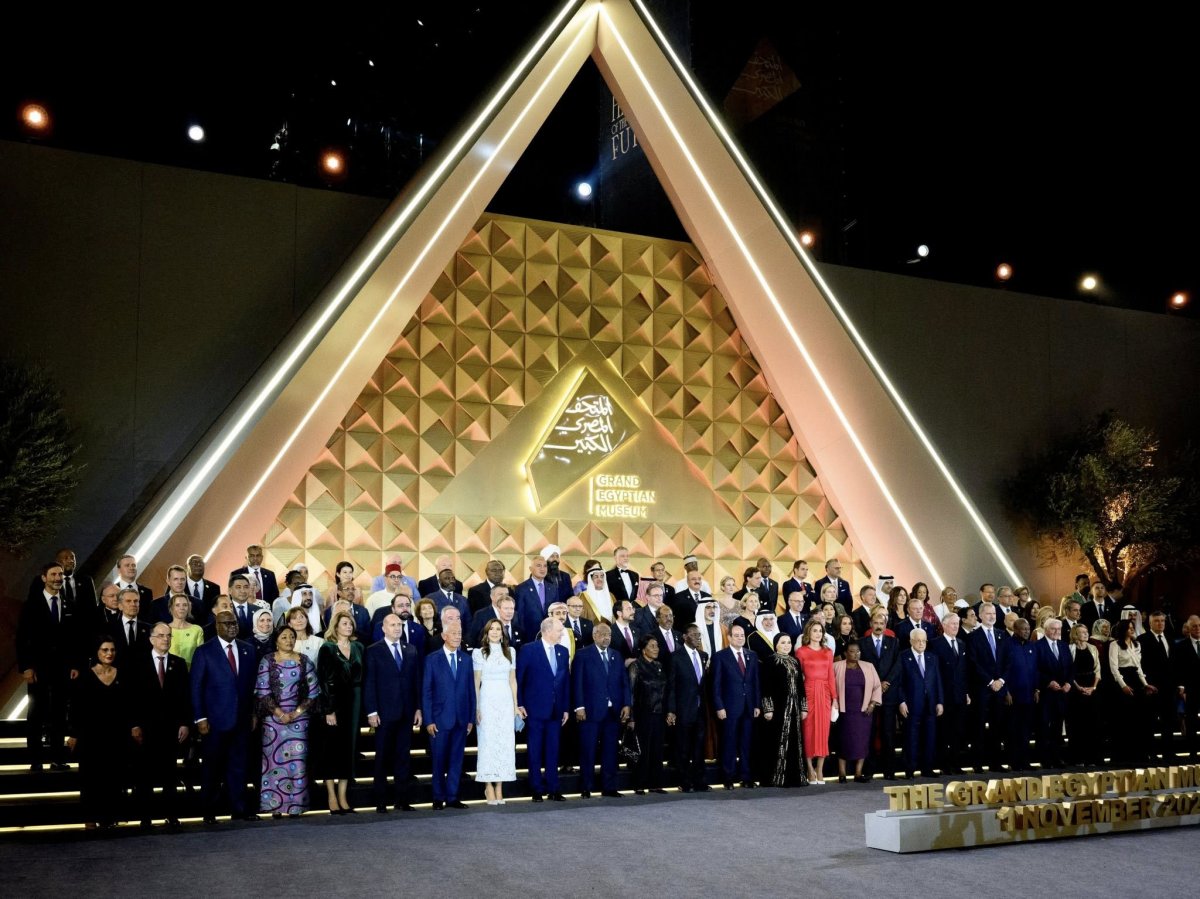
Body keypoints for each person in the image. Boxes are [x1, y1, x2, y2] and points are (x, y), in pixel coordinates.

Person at [190, 609, 258, 823]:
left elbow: (253, 686)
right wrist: (200, 718)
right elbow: (196, 687)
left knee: (239, 766)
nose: (232, 627)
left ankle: (239, 808)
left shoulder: (248, 649)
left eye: (234, 623)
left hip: (242, 720)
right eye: (227, 623)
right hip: (214, 722)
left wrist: (254, 713)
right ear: (217, 625)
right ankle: (208, 811)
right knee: (212, 768)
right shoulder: (204, 651)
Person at [17, 561, 82, 772]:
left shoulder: (69, 603)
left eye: (60, 574)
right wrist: (26, 667)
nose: (57, 578)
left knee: (59, 714)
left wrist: (75, 664)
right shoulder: (31, 604)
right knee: (36, 713)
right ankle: (35, 760)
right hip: (38, 669)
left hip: (63, 669)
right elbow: (21, 638)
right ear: (44, 578)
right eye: (53, 574)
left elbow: (74, 638)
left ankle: (57, 759)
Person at [129, 623, 191, 829]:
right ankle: (145, 817)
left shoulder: (179, 664)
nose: (165, 639)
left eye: (168, 636)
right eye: (161, 635)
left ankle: (171, 815)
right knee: (144, 775)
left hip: (171, 728)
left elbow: (185, 697)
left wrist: (184, 722)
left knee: (170, 774)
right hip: (145, 729)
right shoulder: (138, 663)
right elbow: (131, 697)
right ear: (151, 639)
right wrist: (134, 724)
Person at [255, 624, 319, 817]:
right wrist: (280, 713)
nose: (289, 640)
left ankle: (296, 806)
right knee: (274, 765)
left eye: (292, 637)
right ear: (276, 640)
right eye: (284, 637)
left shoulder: (305, 661)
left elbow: (314, 691)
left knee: (298, 763)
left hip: (299, 720)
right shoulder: (267, 661)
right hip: (273, 722)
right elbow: (263, 691)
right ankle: (274, 806)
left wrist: (296, 713)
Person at [67, 636, 128, 828]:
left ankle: (110, 817)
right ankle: (90, 818)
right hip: (90, 736)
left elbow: (129, 705)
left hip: (115, 735)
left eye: (112, 650)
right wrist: (74, 734)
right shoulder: (85, 676)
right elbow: (76, 708)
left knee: (113, 776)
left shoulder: (123, 675)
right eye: (105, 650)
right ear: (97, 652)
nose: (109, 654)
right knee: (90, 778)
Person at [365, 613, 422, 813]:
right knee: (382, 758)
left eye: (399, 624)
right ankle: (381, 801)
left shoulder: (411, 649)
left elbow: (416, 681)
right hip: (384, 713)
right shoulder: (373, 651)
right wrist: (372, 711)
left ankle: (402, 799)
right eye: (393, 624)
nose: (397, 628)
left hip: (407, 713)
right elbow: (369, 682)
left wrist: (418, 708)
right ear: (384, 628)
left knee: (403, 757)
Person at [517, 616, 571, 801]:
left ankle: (553, 788)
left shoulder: (563, 652)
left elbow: (564, 683)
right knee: (534, 751)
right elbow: (520, 679)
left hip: (556, 711)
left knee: (553, 750)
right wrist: (519, 703)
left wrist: (565, 708)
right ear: (547, 631)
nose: (562, 633)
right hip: (534, 710)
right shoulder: (528, 650)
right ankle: (537, 789)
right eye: (559, 630)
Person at [422, 621, 474, 809]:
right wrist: (428, 720)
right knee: (438, 760)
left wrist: (470, 719)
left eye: (459, 633)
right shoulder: (432, 659)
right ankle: (438, 797)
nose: (458, 636)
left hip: (461, 719)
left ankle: (452, 796)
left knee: (456, 760)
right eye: (453, 633)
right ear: (444, 636)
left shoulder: (466, 659)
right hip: (439, 720)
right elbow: (426, 692)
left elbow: (470, 691)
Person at [318, 609, 364, 813]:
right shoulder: (327, 648)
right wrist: (329, 709)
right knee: (331, 750)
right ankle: (331, 796)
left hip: (354, 702)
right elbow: (324, 681)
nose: (348, 626)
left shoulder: (359, 647)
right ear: (335, 627)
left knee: (348, 749)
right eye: (344, 623)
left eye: (350, 623)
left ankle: (343, 796)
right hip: (334, 703)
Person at [473, 618, 518, 805]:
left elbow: (513, 680)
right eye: (491, 629)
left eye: (498, 629)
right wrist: (476, 707)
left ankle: (499, 786)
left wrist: (515, 706)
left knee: (504, 743)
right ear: (486, 632)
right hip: (487, 700)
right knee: (487, 742)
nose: (495, 632)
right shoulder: (479, 653)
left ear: (502, 632)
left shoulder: (511, 652)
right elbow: (476, 682)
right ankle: (488, 786)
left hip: (505, 700)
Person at [712, 622, 761, 789]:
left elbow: (755, 682)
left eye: (742, 635)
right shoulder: (720, 657)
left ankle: (746, 777)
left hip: (748, 707)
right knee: (729, 743)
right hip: (729, 708)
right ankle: (728, 778)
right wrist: (719, 706)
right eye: (737, 635)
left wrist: (756, 704)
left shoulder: (752, 655)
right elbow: (716, 685)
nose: (740, 638)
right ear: (730, 637)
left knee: (746, 744)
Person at [758, 632, 807, 787]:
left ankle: (794, 778)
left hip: (794, 709)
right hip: (778, 709)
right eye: (783, 642)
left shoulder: (795, 661)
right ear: (776, 645)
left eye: (788, 642)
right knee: (776, 741)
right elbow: (766, 686)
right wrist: (768, 708)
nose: (786, 645)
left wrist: (803, 707)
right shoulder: (770, 661)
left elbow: (801, 686)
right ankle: (776, 777)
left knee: (794, 740)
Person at [664, 623, 707, 793]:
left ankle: (699, 781)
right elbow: (671, 686)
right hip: (682, 709)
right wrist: (671, 710)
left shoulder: (704, 655)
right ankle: (684, 781)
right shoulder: (676, 657)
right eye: (694, 635)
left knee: (699, 747)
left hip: (700, 709)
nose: (697, 638)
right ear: (685, 637)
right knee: (683, 748)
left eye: (699, 635)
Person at [860, 607, 901, 778]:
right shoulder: (861, 643)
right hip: (869, 694)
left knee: (888, 732)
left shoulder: (894, 642)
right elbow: (860, 666)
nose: (878, 626)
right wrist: (875, 685)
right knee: (868, 732)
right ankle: (868, 770)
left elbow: (897, 665)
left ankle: (889, 770)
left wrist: (886, 682)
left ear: (886, 625)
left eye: (881, 623)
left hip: (888, 693)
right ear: (870, 624)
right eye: (875, 623)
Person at [1108, 617, 1156, 764]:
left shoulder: (1137, 644)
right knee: (1124, 719)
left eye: (1132, 627)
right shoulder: (1114, 645)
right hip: (1122, 681)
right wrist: (1123, 685)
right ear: (1123, 629)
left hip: (1135, 679)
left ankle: (1138, 754)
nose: (1131, 630)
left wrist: (1145, 684)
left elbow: (1139, 667)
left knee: (1138, 719)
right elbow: (1114, 668)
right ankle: (1122, 755)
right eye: (1129, 627)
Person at [968, 602, 1009, 770]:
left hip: (1000, 689)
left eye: (994, 613)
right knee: (978, 726)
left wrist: (1001, 681)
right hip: (982, 689)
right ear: (980, 616)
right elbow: (973, 662)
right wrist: (991, 681)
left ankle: (996, 762)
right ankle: (977, 763)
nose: (992, 616)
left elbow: (1008, 661)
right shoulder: (973, 637)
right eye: (988, 614)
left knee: (997, 725)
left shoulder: (1002, 635)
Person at [796, 618, 836, 784]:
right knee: (808, 731)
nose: (818, 634)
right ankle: (809, 769)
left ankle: (820, 769)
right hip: (809, 691)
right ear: (808, 633)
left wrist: (835, 699)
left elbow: (831, 676)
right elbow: (799, 677)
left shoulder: (828, 652)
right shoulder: (801, 652)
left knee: (823, 731)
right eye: (815, 631)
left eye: (820, 631)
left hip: (825, 693)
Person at [897, 630, 942, 778]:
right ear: (911, 641)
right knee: (911, 738)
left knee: (929, 738)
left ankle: (927, 768)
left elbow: (937, 682)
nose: (921, 643)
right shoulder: (903, 657)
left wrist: (940, 701)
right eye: (918, 641)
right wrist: (902, 701)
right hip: (911, 705)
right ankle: (910, 769)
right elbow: (899, 682)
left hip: (930, 705)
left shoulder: (932, 657)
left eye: (924, 641)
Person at [628, 634, 669, 794]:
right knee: (643, 750)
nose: (656, 649)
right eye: (652, 646)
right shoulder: (636, 666)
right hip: (642, 714)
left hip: (659, 714)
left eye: (657, 646)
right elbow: (631, 692)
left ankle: (655, 783)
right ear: (643, 649)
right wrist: (631, 717)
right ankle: (639, 783)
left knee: (657, 750)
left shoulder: (659, 666)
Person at [929, 612, 970, 773]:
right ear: (944, 625)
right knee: (944, 731)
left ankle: (955, 763)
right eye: (953, 624)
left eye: (957, 624)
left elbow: (964, 671)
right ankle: (944, 764)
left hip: (959, 695)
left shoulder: (961, 643)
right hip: (944, 695)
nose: (956, 626)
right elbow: (934, 672)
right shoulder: (935, 643)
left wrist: (966, 692)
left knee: (958, 731)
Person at [834, 640, 879, 782]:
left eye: (858, 651)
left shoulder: (869, 666)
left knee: (862, 741)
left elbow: (877, 686)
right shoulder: (836, 666)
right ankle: (842, 774)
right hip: (844, 711)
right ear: (846, 653)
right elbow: (829, 686)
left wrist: (872, 704)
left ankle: (858, 774)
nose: (855, 654)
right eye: (852, 651)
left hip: (863, 711)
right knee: (843, 741)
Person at [999, 618, 1038, 770]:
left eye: (1028, 629)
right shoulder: (1007, 645)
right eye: (1023, 629)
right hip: (1013, 696)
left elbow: (1035, 669)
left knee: (1026, 730)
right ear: (1015, 630)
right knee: (1013, 730)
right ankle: (1014, 762)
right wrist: (1006, 691)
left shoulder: (1031, 646)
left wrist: (1036, 689)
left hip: (1029, 695)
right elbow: (1002, 669)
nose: (1027, 632)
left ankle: (1025, 761)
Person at [1139, 610, 1176, 762]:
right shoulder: (1143, 639)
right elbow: (1141, 664)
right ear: (1150, 623)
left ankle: (1168, 753)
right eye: (1157, 621)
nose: (1160, 623)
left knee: (1169, 721)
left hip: (1169, 687)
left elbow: (1175, 663)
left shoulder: (1170, 638)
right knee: (1150, 722)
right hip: (1152, 687)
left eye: (1163, 621)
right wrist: (1146, 684)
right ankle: (1151, 752)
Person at [1035, 618, 1073, 767]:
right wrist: (1047, 682)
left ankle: (1056, 757)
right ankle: (1045, 759)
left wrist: (1069, 682)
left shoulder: (1064, 646)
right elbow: (1035, 669)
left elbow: (1071, 667)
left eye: (1059, 629)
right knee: (1044, 727)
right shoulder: (1037, 646)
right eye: (1053, 629)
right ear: (1046, 630)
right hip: (1046, 694)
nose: (1057, 632)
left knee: (1057, 727)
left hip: (1062, 694)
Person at [1067, 623, 1103, 764]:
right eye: (1082, 632)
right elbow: (1069, 671)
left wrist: (1093, 687)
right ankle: (1077, 758)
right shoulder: (1070, 648)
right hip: (1076, 690)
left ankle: (1092, 757)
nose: (1086, 634)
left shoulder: (1093, 648)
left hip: (1092, 689)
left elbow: (1097, 669)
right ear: (1076, 634)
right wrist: (1079, 687)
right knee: (1078, 725)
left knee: (1092, 724)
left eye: (1086, 631)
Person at [1174, 615, 1200, 759]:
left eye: (1199, 625)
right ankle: (1193, 752)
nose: (1198, 628)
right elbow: (1178, 669)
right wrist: (1182, 687)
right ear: (1188, 628)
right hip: (1191, 689)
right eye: (1194, 626)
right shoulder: (1181, 646)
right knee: (1191, 721)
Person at [166, 593, 205, 668]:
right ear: (171, 608)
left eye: (185, 605)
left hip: (192, 672)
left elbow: (201, 656)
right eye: (177, 605)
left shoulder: (197, 630)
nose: (182, 608)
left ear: (189, 608)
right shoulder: (165, 629)